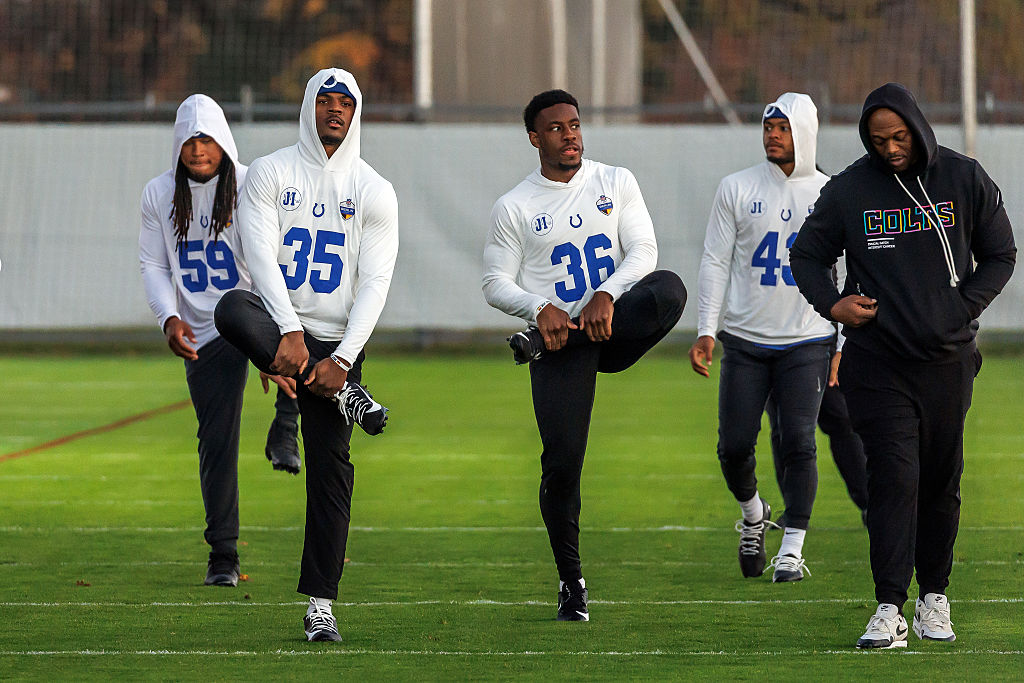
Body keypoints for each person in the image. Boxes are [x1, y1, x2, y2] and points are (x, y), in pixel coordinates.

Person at [790, 82, 1016, 649]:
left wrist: (960, 307)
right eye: (877, 139)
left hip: (947, 362)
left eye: (899, 137)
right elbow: (807, 254)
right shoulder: (850, 190)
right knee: (893, 478)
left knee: (940, 481)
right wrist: (833, 304)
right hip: (878, 363)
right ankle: (888, 606)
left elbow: (1000, 254)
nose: (890, 148)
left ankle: (934, 597)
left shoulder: (963, 178)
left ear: (918, 127)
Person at [482, 89, 686, 622]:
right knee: (562, 463)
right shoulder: (516, 205)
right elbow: (494, 282)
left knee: (669, 288)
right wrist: (538, 306)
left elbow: (643, 251)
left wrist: (607, 294)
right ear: (535, 138)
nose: (569, 135)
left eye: (574, 124)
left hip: (609, 327)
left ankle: (550, 338)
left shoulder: (615, 181)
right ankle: (571, 580)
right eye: (555, 128)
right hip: (559, 346)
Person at [214, 68, 397, 643]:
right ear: (308, 107)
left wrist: (341, 360)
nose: (335, 110)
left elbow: (376, 282)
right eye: (325, 100)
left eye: (346, 102)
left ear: (356, 113)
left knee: (331, 474)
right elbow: (259, 254)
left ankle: (321, 605)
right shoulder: (271, 172)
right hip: (280, 326)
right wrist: (288, 336)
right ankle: (346, 395)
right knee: (230, 308)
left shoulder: (374, 189)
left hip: (339, 344)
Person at [138, 94, 300, 588]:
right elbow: (154, 263)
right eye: (189, 140)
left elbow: (275, 258)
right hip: (202, 328)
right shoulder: (159, 193)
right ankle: (223, 555)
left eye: (207, 139)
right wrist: (169, 317)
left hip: (252, 308)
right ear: (177, 145)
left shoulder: (250, 183)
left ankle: (286, 427)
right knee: (216, 440)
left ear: (224, 141)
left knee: (302, 358)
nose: (198, 149)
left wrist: (270, 342)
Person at [688, 93, 834, 583]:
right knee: (733, 447)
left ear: (805, 133)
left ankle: (792, 548)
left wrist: (842, 345)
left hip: (808, 338)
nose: (772, 134)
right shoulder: (737, 187)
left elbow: (853, 271)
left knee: (799, 441)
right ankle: (754, 514)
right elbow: (715, 261)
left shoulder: (830, 193)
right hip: (746, 339)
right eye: (768, 126)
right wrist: (706, 330)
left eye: (783, 127)